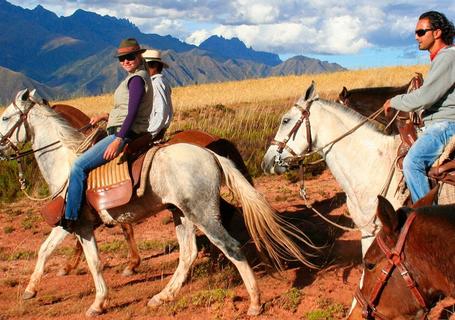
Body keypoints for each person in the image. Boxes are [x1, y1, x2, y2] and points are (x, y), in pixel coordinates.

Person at [61, 38, 154, 230]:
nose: (125, 61)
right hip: (124, 129)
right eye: (122, 59)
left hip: (125, 134)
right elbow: (125, 109)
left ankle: (72, 217)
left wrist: (118, 139)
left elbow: (132, 112)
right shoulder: (138, 75)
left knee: (78, 166)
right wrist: (106, 116)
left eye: (129, 57)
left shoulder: (136, 79)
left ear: (138, 56)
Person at [383, 11, 455, 203]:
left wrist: (395, 101)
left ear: (437, 33)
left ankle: (427, 218)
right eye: (416, 32)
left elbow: (426, 96)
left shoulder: (448, 57)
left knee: (412, 162)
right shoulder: (442, 58)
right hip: (437, 123)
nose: (416, 37)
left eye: (421, 32)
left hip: (445, 125)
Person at [142, 49, 173, 138]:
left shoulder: (156, 83)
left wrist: (149, 134)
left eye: (144, 66)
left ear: (154, 66)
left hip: (152, 131)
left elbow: (162, 111)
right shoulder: (159, 81)